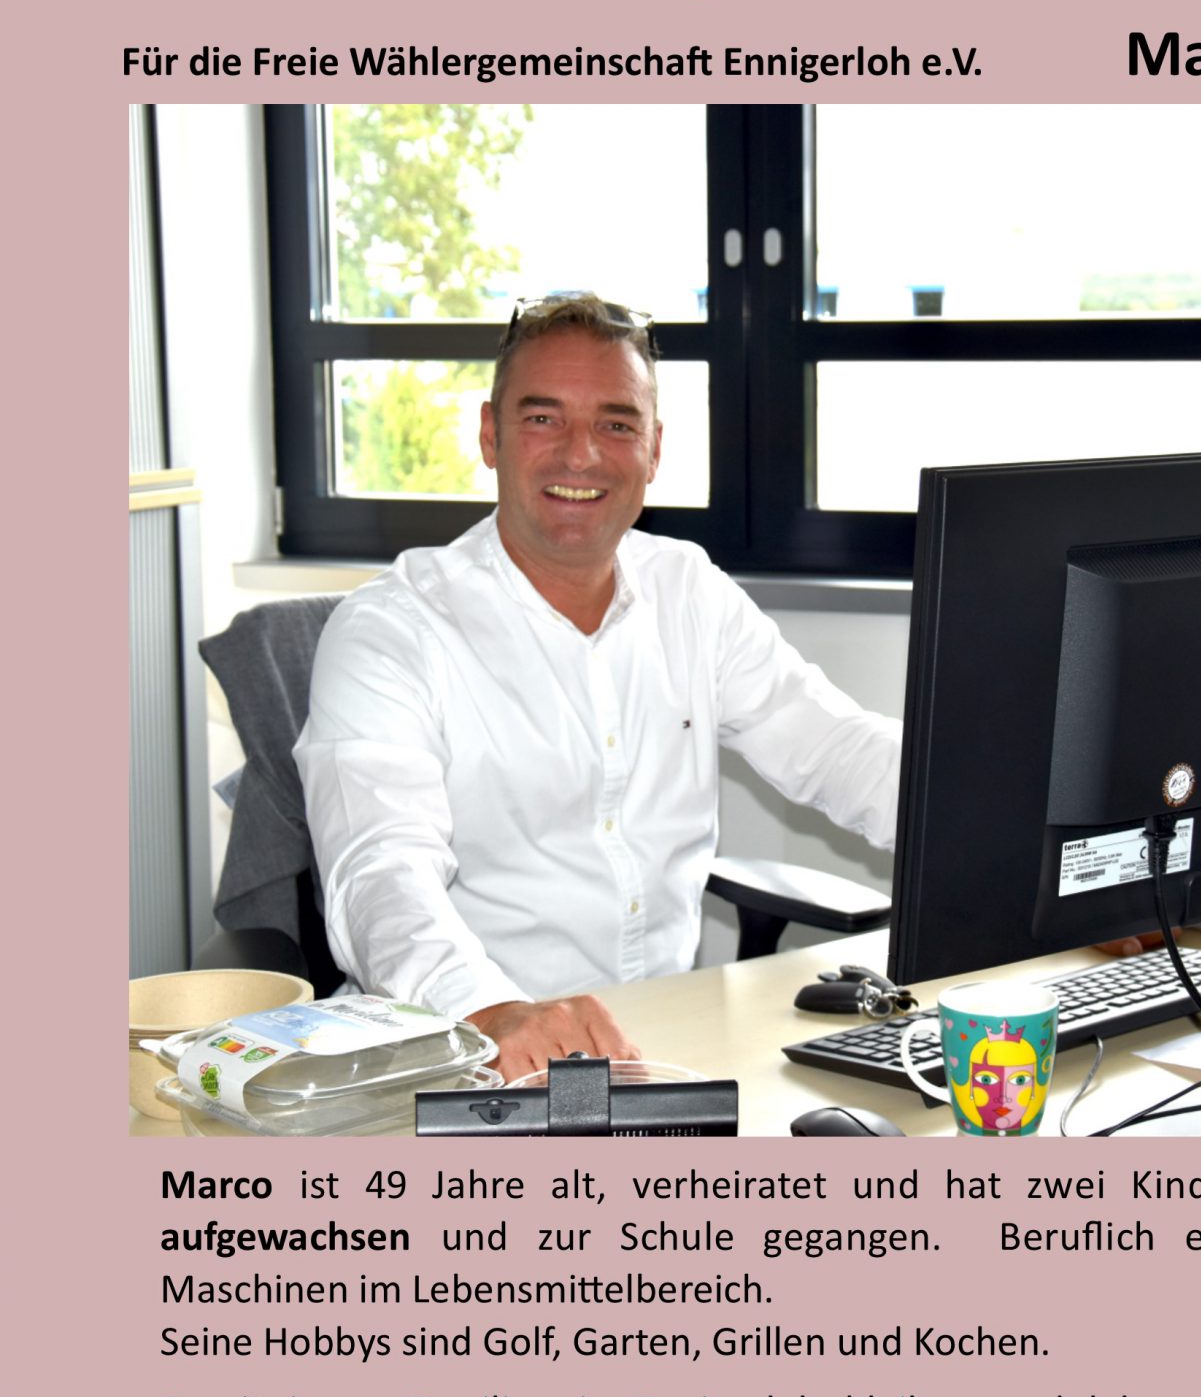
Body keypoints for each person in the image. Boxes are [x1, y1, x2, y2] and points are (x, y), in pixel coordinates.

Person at [297, 294, 901, 1081]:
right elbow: (379, 872)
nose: (580, 455)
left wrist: (1011, 840)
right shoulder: (391, 631)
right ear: (490, 435)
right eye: (543, 419)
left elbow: (834, 748)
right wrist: (486, 1008)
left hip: (659, 1047)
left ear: (654, 449)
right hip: (460, 1056)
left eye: (616, 424)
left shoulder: (688, 590)